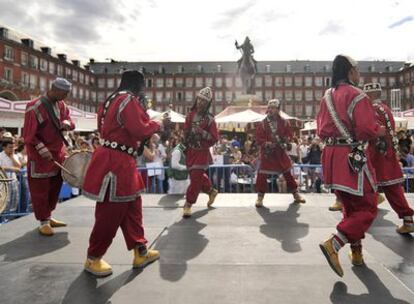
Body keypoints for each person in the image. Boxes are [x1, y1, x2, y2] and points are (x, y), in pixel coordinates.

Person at [82, 70, 163, 277]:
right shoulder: (128, 100)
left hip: (119, 159)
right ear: (138, 83)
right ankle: (93, 258)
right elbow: (140, 129)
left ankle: (140, 251)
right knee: (110, 213)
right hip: (117, 163)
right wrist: (157, 123)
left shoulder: (110, 101)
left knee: (133, 208)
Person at [317, 55, 385, 277]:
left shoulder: (326, 97)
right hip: (351, 157)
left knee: (350, 207)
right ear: (350, 71)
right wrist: (379, 131)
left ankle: (356, 254)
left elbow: (320, 129)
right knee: (368, 206)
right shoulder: (357, 95)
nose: (359, 73)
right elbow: (366, 130)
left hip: (331, 157)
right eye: (357, 69)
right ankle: (334, 244)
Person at [23, 77, 75, 236]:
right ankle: (43, 221)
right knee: (40, 189)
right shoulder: (34, 107)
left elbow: (71, 122)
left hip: (57, 155)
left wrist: (66, 123)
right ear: (55, 89)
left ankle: (48, 216)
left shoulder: (62, 105)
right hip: (40, 157)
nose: (66, 97)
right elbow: (29, 135)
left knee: (54, 187)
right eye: (64, 93)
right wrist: (42, 149)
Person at [364, 83, 413, 234]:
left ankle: (360, 219)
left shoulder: (371, 110)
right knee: (392, 188)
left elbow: (374, 131)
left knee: (364, 183)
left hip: (376, 153)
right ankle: (408, 220)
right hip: (388, 152)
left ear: (370, 94)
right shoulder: (385, 108)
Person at [255, 99, 306, 207]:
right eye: (270, 108)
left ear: (278, 109)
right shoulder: (263, 124)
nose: (271, 110)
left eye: (274, 108)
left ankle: (296, 194)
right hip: (268, 154)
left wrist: (286, 140)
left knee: (287, 173)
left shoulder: (284, 122)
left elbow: (289, 134)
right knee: (262, 174)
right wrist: (267, 144)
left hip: (280, 152)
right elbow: (259, 138)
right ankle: (260, 197)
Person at [183, 87, 219, 218]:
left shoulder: (210, 119)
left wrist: (202, 133)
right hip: (190, 151)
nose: (200, 103)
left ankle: (188, 203)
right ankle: (211, 191)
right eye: (199, 99)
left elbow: (215, 138)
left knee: (196, 179)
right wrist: (183, 143)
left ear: (208, 103)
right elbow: (185, 132)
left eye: (204, 101)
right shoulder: (190, 115)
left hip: (202, 152)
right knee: (195, 176)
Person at [0, 138, 21, 213]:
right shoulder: (0, 156)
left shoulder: (14, 156)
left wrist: (12, 157)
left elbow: (19, 167)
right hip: (3, 184)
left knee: (14, 201)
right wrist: (12, 169)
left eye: (13, 147)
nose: (12, 149)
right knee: (5, 202)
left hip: (13, 181)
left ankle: (10, 221)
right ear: (4, 147)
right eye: (10, 147)